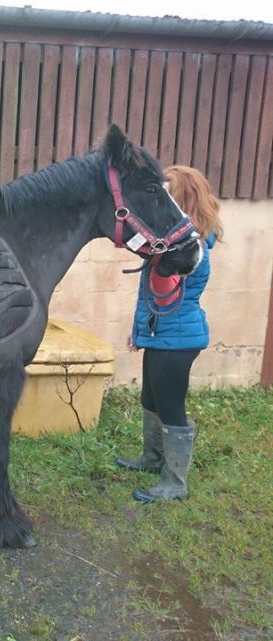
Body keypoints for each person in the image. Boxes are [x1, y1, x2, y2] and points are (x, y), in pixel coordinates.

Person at [117, 165, 223, 503]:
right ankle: (152, 459)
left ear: (178, 199)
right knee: (151, 399)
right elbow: (154, 299)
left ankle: (175, 483)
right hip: (163, 333)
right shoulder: (175, 241)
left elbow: (163, 290)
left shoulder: (189, 248)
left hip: (178, 338)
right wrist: (141, 333)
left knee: (171, 406)